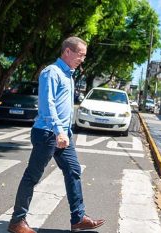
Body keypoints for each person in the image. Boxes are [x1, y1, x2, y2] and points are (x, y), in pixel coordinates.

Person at [8, 36, 105, 233]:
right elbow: (47, 105)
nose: (83, 59)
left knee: (74, 170)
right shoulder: (51, 72)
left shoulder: (68, 74)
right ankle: (17, 221)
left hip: (63, 134)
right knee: (32, 176)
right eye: (81, 55)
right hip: (47, 133)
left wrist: (65, 131)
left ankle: (78, 218)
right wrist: (59, 130)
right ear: (67, 52)